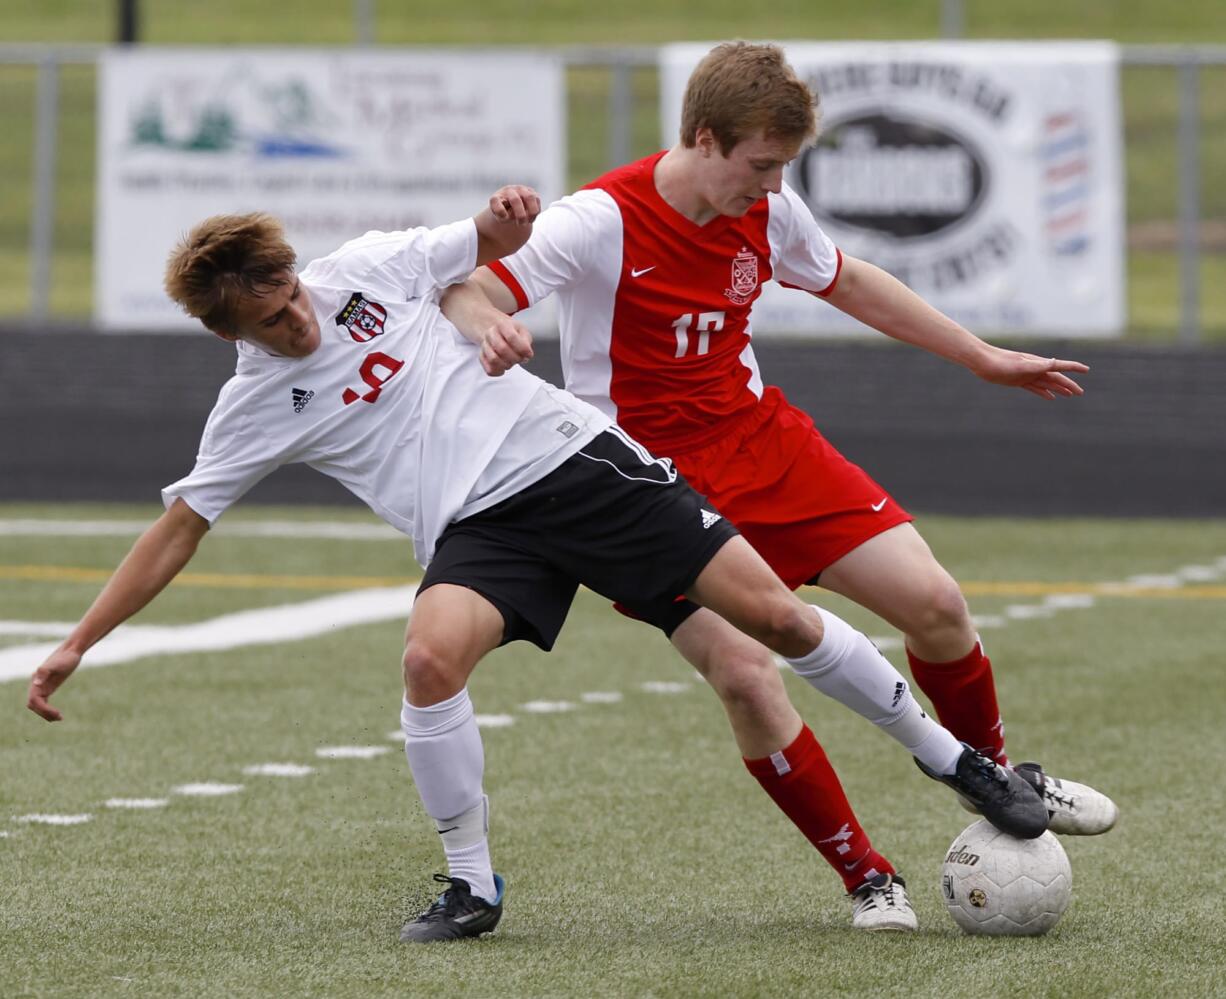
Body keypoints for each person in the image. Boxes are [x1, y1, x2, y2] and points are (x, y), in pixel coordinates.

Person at [25, 186, 1046, 943]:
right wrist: (78, 642)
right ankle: (472, 887)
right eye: (271, 319)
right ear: (227, 333)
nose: (298, 316)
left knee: (772, 625)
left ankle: (954, 763)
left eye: (291, 292)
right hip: (483, 533)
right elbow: (177, 528)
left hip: (573, 465)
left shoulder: (369, 268)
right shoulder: (250, 406)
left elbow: (484, 243)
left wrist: (502, 217)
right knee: (429, 663)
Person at [440, 40, 1119, 913]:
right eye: (758, 165)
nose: (768, 187)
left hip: (763, 443)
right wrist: (484, 325)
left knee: (939, 606)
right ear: (702, 137)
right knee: (749, 675)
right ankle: (869, 878)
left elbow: (850, 280)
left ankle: (989, 773)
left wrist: (981, 356)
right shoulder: (600, 219)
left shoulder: (766, 205)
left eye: (782, 168)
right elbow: (470, 288)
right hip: (647, 488)